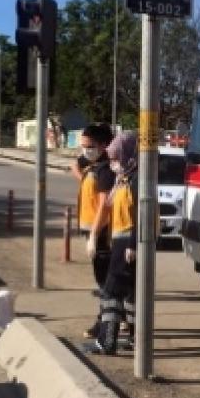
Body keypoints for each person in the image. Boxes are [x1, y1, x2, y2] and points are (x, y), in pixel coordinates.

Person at [88, 132, 156, 355]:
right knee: (130, 295)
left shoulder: (137, 181)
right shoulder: (124, 179)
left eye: (116, 158)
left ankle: (106, 342)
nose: (113, 163)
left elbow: (141, 215)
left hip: (127, 244)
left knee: (110, 293)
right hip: (121, 243)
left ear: (128, 155)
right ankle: (137, 340)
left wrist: (134, 245)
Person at [76, 124, 116, 337]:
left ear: (103, 145)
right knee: (105, 281)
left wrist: (93, 235)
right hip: (94, 230)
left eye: (89, 146)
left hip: (102, 232)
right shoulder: (93, 165)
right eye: (82, 146)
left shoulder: (105, 169)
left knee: (106, 283)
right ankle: (115, 322)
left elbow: (105, 205)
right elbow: (76, 165)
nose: (84, 150)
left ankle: (105, 324)